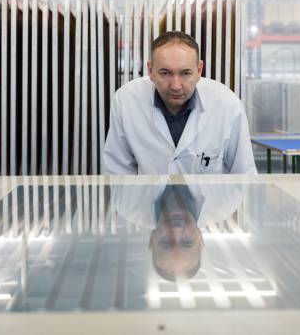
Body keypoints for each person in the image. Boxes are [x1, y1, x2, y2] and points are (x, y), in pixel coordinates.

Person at [103, 31, 256, 175]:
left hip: (212, 203)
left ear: (199, 70)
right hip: (147, 202)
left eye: (185, 73)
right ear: (150, 70)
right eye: (165, 73)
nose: (175, 86)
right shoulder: (127, 100)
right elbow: (118, 171)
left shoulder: (226, 104)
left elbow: (244, 174)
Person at [111, 182, 245, 281]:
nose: (176, 230)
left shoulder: (127, 203)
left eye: (165, 242)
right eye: (187, 242)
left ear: (152, 239)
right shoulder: (226, 200)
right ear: (200, 239)